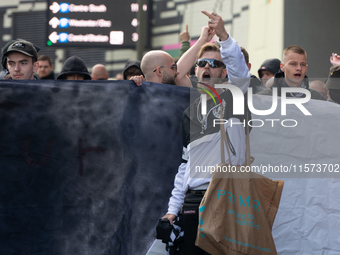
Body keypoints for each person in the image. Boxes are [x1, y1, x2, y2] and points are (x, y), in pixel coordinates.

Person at [162, 10, 250, 254]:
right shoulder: (189, 113)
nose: (206, 67)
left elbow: (240, 73)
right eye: (202, 63)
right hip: (192, 204)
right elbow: (184, 167)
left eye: (215, 64)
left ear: (224, 72)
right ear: (196, 71)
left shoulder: (235, 100)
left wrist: (222, 34)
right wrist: (171, 210)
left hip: (227, 201)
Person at [257, 45, 326, 100]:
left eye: (302, 64)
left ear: (306, 68)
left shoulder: (316, 98)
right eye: (293, 64)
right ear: (282, 67)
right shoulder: (264, 98)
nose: (299, 68)